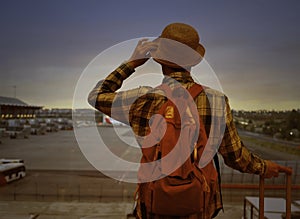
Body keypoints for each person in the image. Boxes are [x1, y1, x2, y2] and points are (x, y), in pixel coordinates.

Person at [88, 23, 292, 219]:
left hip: (154, 202)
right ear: (193, 61)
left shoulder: (142, 100)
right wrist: (265, 167)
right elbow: (235, 157)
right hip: (199, 205)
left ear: (160, 60)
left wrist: (132, 62)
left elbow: (96, 96)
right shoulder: (216, 101)